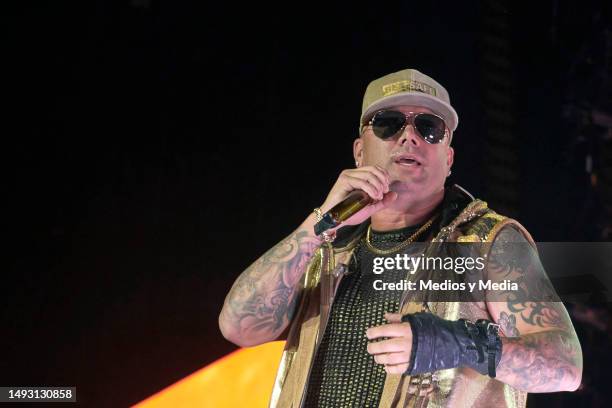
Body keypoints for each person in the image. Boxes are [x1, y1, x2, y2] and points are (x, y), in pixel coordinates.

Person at [218, 68, 583, 407]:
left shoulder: (489, 241)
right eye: (389, 124)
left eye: (428, 127)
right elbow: (238, 327)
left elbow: (565, 368)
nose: (409, 135)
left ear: (449, 158)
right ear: (359, 152)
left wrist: (457, 343)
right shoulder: (326, 250)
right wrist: (318, 225)